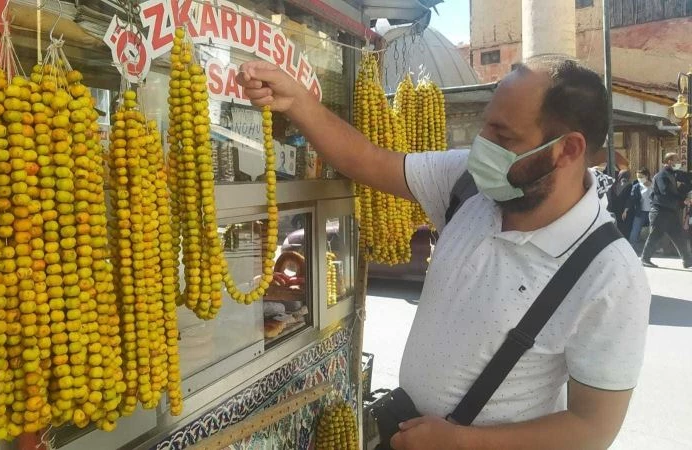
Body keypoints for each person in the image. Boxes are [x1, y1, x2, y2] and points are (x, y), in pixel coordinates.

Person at [237, 56, 650, 449]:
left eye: (504, 136)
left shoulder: (609, 275)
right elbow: (365, 159)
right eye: (486, 125)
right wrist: (297, 101)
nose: (482, 144)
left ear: (568, 149)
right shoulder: (468, 185)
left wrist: (461, 442)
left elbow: (592, 429)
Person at [640, 153, 692, 268]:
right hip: (660, 211)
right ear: (669, 161)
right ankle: (645, 258)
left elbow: (684, 182)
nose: (678, 162)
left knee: (679, 236)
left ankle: (687, 260)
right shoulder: (661, 176)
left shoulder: (673, 174)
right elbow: (666, 192)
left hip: (671, 211)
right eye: (676, 160)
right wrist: (683, 199)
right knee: (655, 236)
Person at [622, 168, 652, 248]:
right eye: (638, 177)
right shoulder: (637, 187)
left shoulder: (654, 185)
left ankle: (654, 247)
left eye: (641, 177)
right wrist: (625, 210)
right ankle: (632, 246)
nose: (639, 179)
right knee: (635, 228)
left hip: (652, 212)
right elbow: (631, 199)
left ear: (647, 176)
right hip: (641, 212)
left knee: (653, 230)